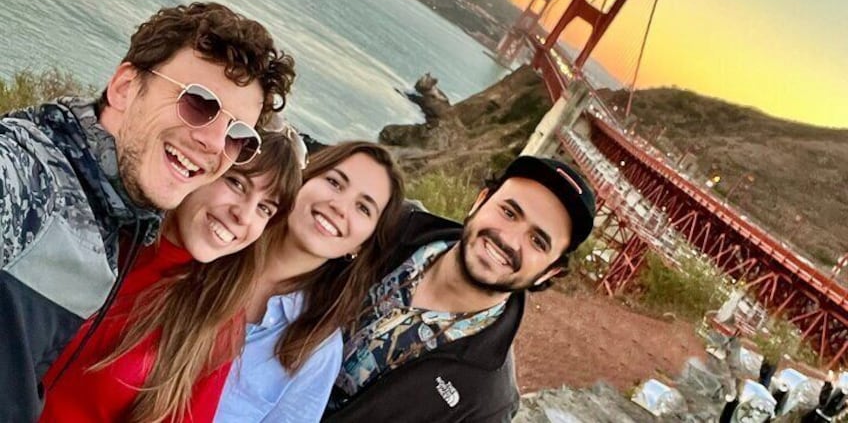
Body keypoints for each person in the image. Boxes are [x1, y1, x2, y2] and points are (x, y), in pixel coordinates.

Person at [0, 2, 296, 421]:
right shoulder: (32, 176)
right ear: (124, 86)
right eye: (199, 103)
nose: (214, 142)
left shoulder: (120, 223)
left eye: (238, 137)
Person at [39, 129, 305, 423]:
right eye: (237, 184)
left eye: (265, 208)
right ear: (199, 168)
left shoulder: (216, 324)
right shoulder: (100, 226)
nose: (244, 215)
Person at [323, 155, 597, 422]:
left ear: (549, 272)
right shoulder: (387, 222)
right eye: (509, 212)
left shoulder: (486, 403)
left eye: (537, 241)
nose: (509, 240)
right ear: (480, 201)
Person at [214, 141, 405, 423]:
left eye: (363, 208)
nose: (339, 207)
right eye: (334, 182)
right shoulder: (216, 241)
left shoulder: (317, 352)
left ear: (362, 246)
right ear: (306, 177)